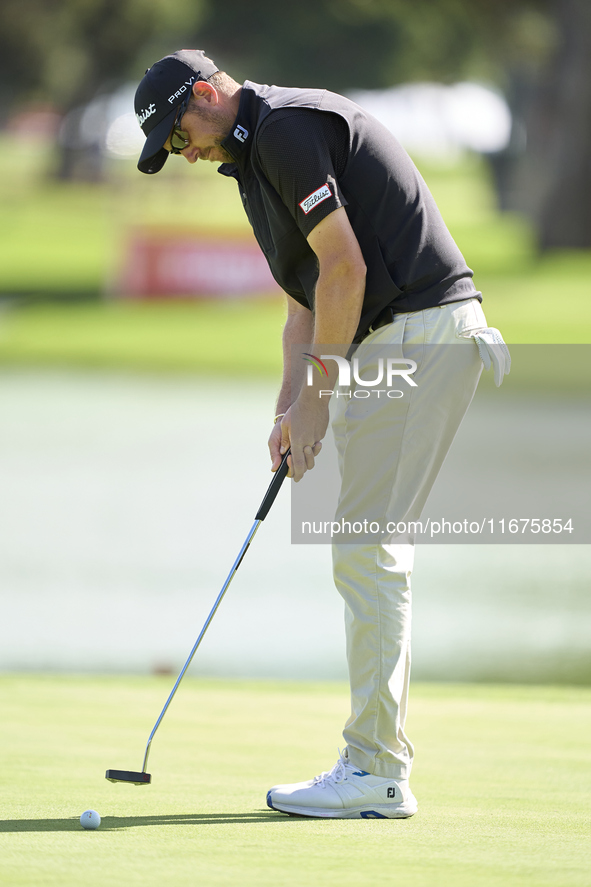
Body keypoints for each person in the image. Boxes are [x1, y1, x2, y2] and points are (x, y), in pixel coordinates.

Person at [134, 49, 510, 819]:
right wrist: (288, 409)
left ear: (206, 93)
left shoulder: (284, 131)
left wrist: (318, 397)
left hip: (419, 332)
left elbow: (346, 272)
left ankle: (376, 769)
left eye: (180, 135)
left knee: (366, 546)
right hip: (401, 341)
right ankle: (376, 763)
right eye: (173, 149)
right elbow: (303, 300)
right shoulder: (250, 163)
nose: (186, 152)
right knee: (367, 544)